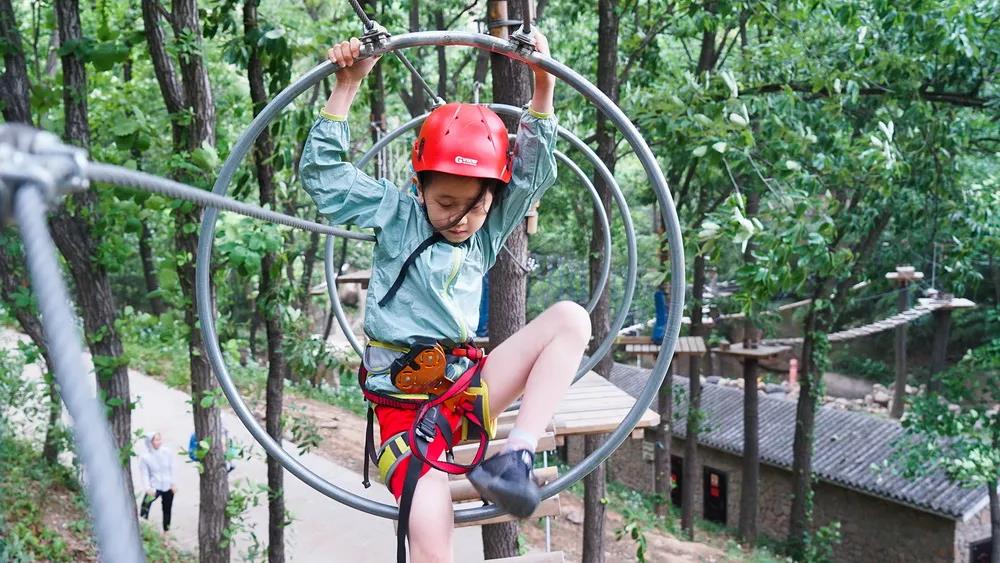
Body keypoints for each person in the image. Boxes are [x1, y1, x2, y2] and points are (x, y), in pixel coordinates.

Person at [300, 32, 590, 563]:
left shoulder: (487, 231)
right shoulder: (396, 213)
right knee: (434, 548)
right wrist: (347, 85)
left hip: (464, 388)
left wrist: (543, 86)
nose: (460, 219)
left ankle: (516, 457)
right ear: (419, 186)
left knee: (571, 319)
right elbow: (325, 179)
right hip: (403, 410)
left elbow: (531, 174)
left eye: (475, 207)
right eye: (446, 203)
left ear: (494, 199)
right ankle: (434, 475)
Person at [139, 432, 176, 532]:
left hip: (168, 485)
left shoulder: (167, 452)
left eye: (159, 439)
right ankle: (144, 528)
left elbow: (172, 467)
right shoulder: (145, 457)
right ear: (150, 442)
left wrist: (173, 483)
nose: (158, 442)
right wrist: (147, 488)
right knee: (145, 506)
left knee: (167, 509)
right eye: (156, 440)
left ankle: (166, 531)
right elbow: (145, 474)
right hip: (154, 486)